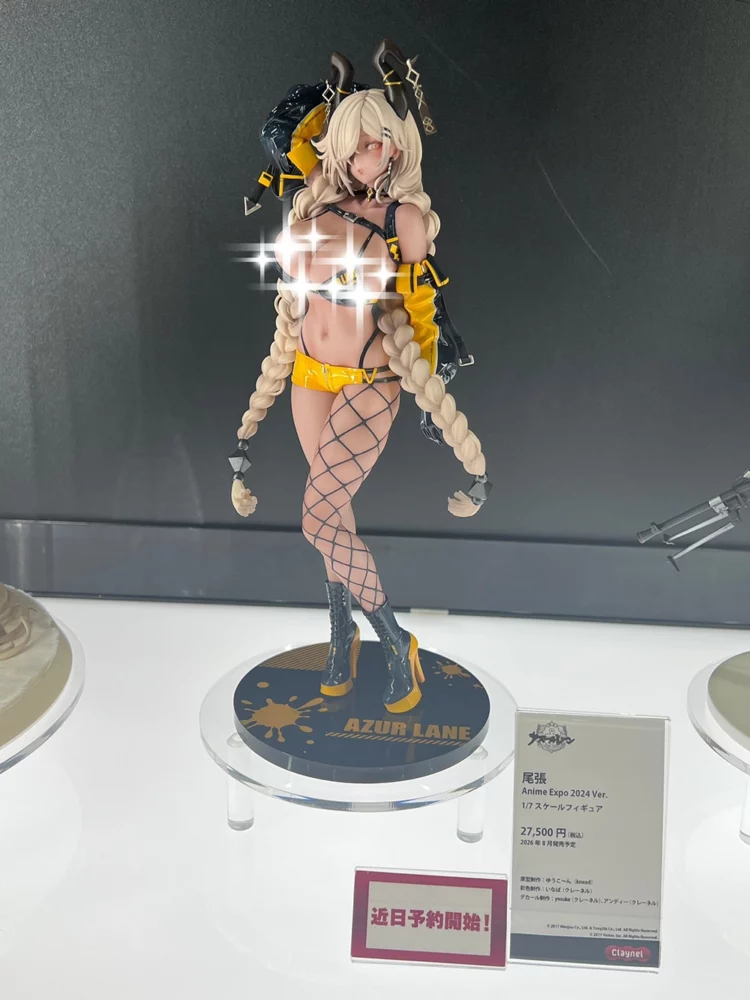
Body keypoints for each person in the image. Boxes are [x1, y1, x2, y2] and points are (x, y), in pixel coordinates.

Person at [229, 41, 491, 715]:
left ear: (394, 148)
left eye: (368, 145)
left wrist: (427, 376)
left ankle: (394, 639)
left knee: (317, 517)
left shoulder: (405, 220)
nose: (354, 158)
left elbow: (419, 307)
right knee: (334, 515)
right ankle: (341, 635)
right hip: (308, 377)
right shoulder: (316, 206)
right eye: (347, 147)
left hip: (367, 380)